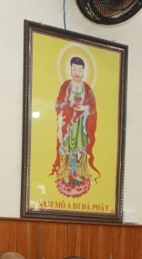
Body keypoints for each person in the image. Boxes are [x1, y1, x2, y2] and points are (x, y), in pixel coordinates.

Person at [51, 56, 99, 198]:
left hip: (81, 124)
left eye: (79, 70)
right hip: (69, 124)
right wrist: (70, 106)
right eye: (74, 69)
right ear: (70, 70)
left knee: (79, 148)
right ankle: (66, 174)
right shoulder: (66, 86)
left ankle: (77, 172)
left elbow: (92, 106)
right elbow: (58, 103)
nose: (77, 72)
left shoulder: (87, 88)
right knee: (68, 148)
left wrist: (84, 107)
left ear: (83, 71)